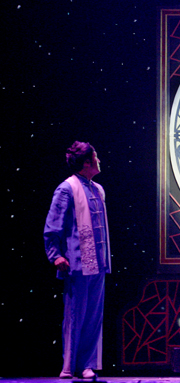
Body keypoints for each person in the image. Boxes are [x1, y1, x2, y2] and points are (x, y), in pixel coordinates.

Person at [44, 141, 111, 379]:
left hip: (98, 263)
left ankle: (86, 365)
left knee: (93, 316)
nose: (99, 161)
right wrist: (55, 255)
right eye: (96, 157)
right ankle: (68, 366)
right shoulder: (67, 188)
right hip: (78, 261)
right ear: (86, 163)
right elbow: (53, 225)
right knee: (75, 315)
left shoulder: (98, 189)